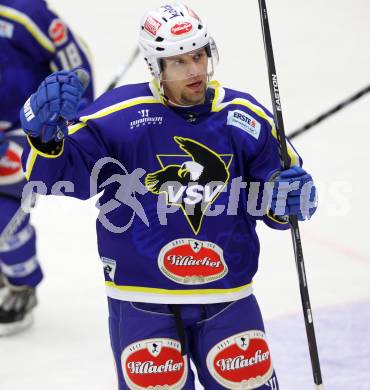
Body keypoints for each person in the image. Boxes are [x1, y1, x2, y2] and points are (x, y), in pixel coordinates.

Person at [19, 2, 317, 389]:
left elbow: (281, 191)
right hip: (141, 300)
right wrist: (43, 138)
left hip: (229, 297)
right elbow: (53, 176)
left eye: (199, 56)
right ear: (155, 67)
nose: (194, 70)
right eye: (179, 62)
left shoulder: (243, 115)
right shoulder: (118, 116)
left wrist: (289, 199)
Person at [0, 0, 94, 335]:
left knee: (3, 212)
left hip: (22, 127)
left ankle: (21, 284)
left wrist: (77, 112)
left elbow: (74, 59)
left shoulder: (24, 13)